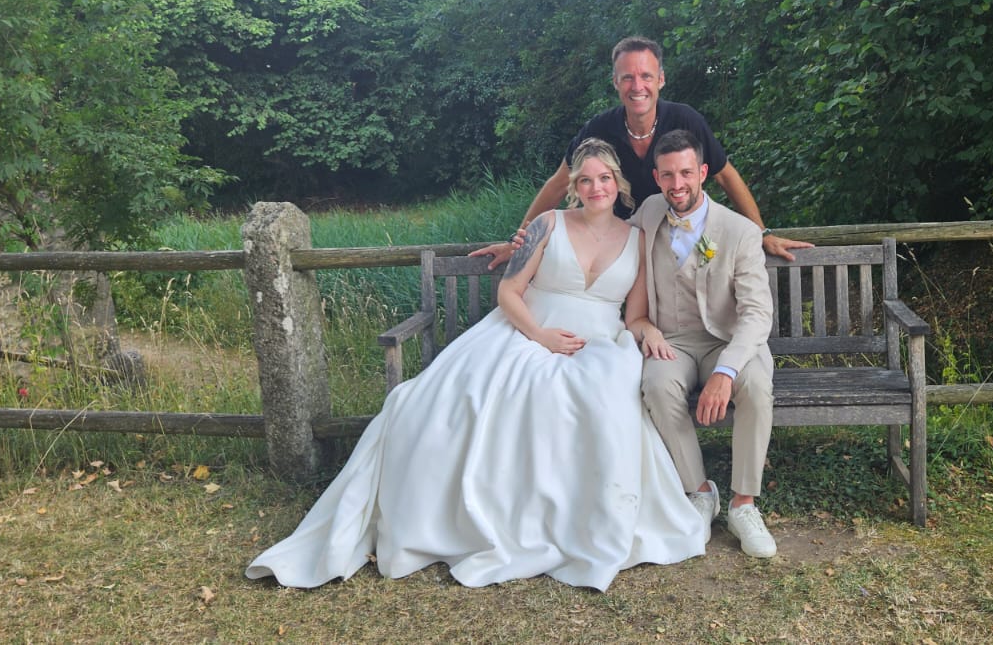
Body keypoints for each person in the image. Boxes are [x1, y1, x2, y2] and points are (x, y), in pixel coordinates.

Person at [246, 140, 706, 591]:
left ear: (618, 183)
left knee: (603, 397)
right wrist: (540, 336)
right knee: (445, 400)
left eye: (604, 178)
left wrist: (649, 332)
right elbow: (509, 291)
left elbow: (635, 316)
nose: (596, 187)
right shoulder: (547, 224)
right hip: (526, 329)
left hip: (600, 342)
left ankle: (582, 520)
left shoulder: (637, 239)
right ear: (574, 187)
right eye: (585, 180)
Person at [470, 36, 812, 268]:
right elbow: (559, 183)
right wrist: (518, 240)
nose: (638, 86)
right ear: (615, 83)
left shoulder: (686, 120)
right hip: (621, 250)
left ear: (661, 79)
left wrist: (762, 233)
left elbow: (726, 175)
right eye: (627, 78)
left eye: (646, 76)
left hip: (680, 244)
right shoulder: (598, 129)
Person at [625, 129, 778, 558]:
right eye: (668, 175)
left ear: (704, 172)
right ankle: (700, 491)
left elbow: (757, 314)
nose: (678, 184)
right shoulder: (648, 213)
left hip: (727, 340)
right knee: (656, 386)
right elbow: (605, 237)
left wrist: (726, 372)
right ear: (656, 177)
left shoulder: (739, 231)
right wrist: (548, 235)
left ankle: (743, 504)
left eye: (686, 173)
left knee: (756, 386)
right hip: (671, 339)